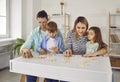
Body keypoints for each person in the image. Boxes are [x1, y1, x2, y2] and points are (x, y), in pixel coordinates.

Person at [21, 10, 63, 82]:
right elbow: (26, 45)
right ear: (37, 21)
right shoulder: (34, 32)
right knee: (30, 72)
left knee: (54, 76)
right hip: (39, 61)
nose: (42, 24)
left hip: (53, 61)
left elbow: (62, 47)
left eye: (44, 22)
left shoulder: (56, 30)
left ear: (48, 20)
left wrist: (58, 49)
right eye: (39, 22)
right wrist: (24, 49)